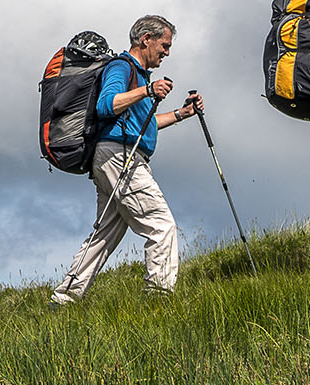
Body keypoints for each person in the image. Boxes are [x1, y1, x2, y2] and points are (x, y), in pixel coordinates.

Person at [50, 17, 203, 305]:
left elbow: (144, 124)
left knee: (105, 234)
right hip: (120, 157)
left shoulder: (139, 76)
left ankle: (64, 298)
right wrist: (147, 91)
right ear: (146, 39)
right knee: (161, 224)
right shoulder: (121, 67)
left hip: (116, 156)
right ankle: (158, 298)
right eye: (164, 45)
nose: (167, 52)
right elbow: (106, 105)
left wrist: (182, 114)